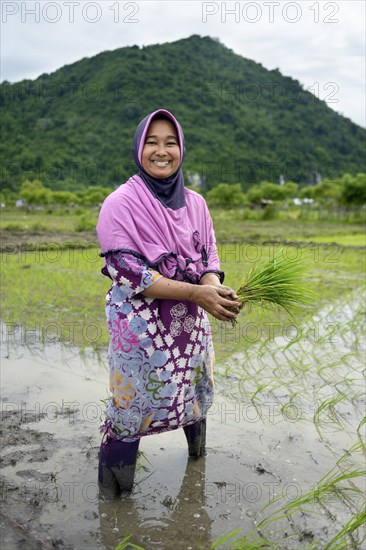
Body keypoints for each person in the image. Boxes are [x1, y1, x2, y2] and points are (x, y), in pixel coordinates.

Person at [96, 108, 241, 499]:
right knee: (129, 410)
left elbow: (210, 258)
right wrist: (197, 293)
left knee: (195, 398)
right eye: (152, 142)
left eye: (170, 142)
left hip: (190, 326)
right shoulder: (120, 203)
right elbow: (129, 273)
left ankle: (197, 464)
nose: (162, 151)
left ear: (181, 148)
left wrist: (212, 286)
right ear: (138, 148)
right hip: (139, 332)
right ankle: (114, 503)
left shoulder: (196, 203)